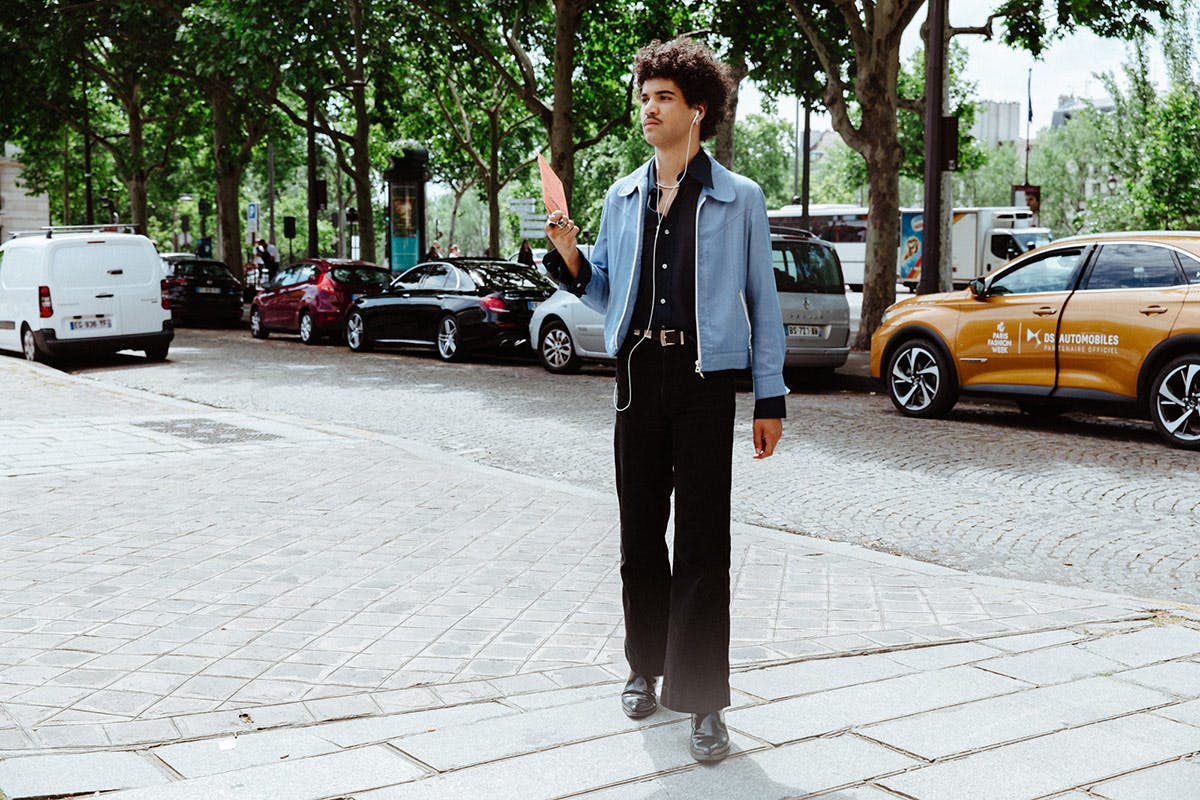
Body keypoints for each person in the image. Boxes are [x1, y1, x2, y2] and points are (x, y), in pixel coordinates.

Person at [542, 38, 786, 764]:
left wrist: (768, 397)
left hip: (708, 383)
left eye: (664, 98)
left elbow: (762, 303)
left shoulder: (739, 198)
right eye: (644, 97)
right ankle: (642, 668)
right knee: (639, 539)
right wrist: (569, 254)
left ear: (697, 109)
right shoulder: (622, 194)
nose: (648, 108)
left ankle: (704, 701)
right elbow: (603, 288)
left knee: (704, 546)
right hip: (637, 379)